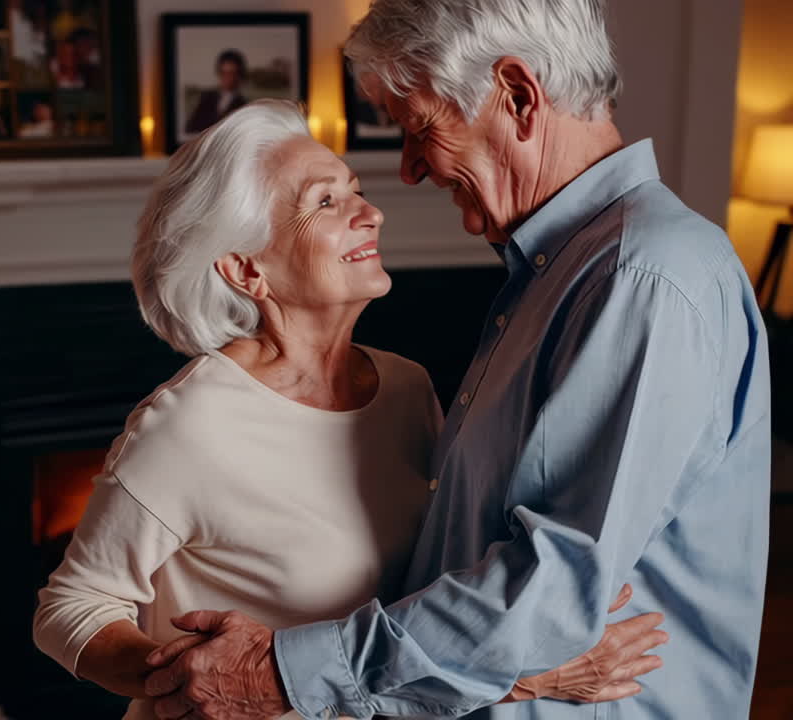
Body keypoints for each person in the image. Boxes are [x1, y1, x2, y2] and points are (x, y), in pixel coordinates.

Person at [142, 2, 771, 719]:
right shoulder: (556, 272)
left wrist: (282, 675)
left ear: (518, 97)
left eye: (420, 129)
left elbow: (550, 595)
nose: (407, 172)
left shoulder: (641, 276)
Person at [33, 101, 668, 720]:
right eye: (326, 203)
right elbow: (71, 608)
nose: (371, 214)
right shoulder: (188, 425)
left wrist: (526, 667)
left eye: (355, 191)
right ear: (245, 269)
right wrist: (194, 685)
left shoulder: (406, 387)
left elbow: (412, 618)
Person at [185, 50, 248, 135]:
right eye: (223, 73)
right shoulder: (206, 97)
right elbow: (190, 127)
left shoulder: (243, 106)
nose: (227, 78)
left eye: (231, 73)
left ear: (239, 75)